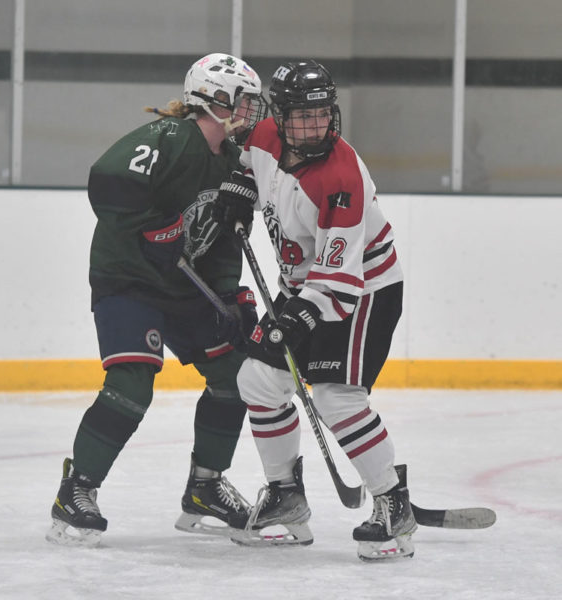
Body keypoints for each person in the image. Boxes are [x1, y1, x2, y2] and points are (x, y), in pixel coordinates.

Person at [46, 53, 268, 547]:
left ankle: (205, 488)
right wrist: (152, 229)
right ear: (214, 98)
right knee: (133, 380)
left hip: (183, 286)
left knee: (236, 374)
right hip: (129, 279)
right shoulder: (170, 138)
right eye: (245, 101)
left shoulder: (234, 162)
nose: (252, 111)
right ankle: (76, 490)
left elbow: (222, 240)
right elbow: (108, 179)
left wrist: (235, 297)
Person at [212, 59, 417, 560]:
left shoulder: (341, 178)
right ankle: (285, 497)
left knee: (335, 398)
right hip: (304, 283)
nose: (313, 125)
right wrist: (242, 188)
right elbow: (250, 168)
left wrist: (298, 317)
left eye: (322, 113)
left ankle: (393, 505)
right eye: (301, 116)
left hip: (363, 288)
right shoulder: (262, 136)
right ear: (278, 117)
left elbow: (338, 283)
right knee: (257, 383)